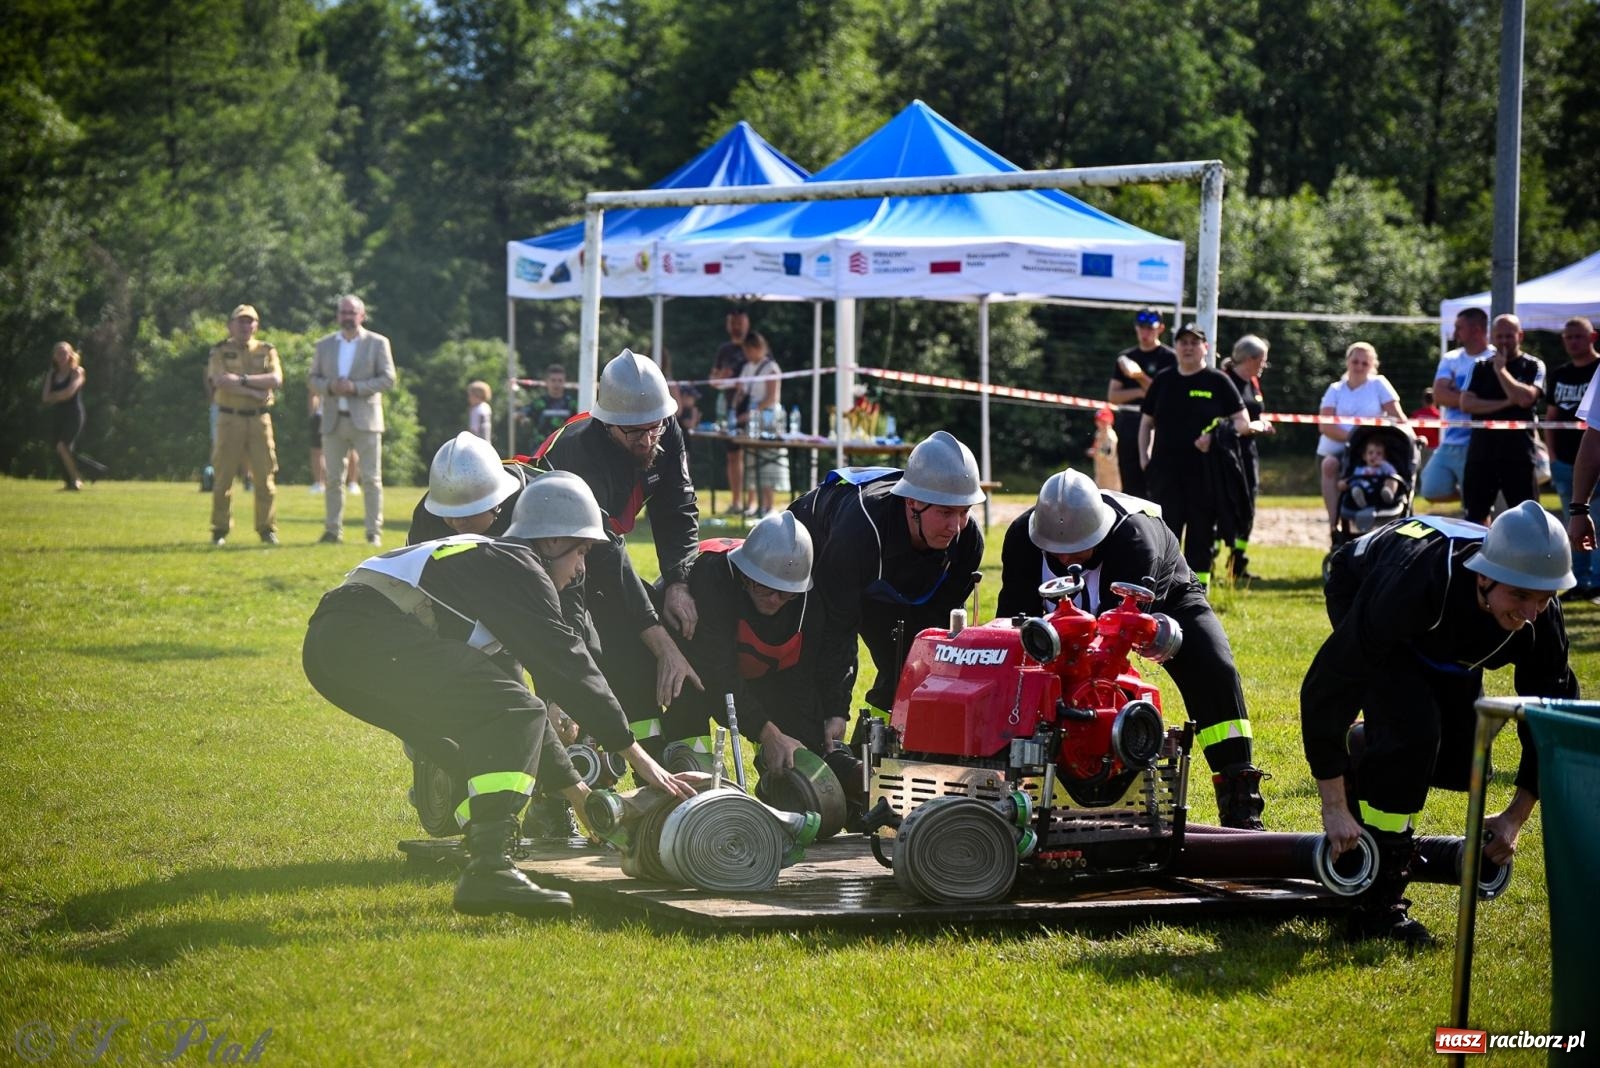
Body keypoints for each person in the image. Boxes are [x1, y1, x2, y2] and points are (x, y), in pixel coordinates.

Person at [303, 471, 696, 918]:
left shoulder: (489, 572)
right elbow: (568, 664)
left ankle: (486, 858)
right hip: (364, 635)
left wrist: (578, 795)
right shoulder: (516, 563)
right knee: (516, 713)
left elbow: (519, 708)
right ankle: (490, 868)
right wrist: (639, 759)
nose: (583, 567)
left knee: (470, 736)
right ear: (549, 543)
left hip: (331, 650)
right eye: (582, 550)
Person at [1303, 502, 1578, 945]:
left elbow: (1554, 719)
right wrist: (1333, 806)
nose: (1531, 612)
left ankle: (1370, 746)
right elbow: (1328, 687)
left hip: (1444, 628)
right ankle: (1378, 907)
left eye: (1544, 599)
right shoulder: (1414, 586)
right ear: (1483, 575)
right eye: (1521, 596)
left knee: (1457, 756)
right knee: (1412, 732)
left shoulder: (1539, 615)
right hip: (1361, 583)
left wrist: (1514, 818)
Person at [997, 470, 1268, 829]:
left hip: (1164, 600)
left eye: (1075, 549)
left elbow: (1111, 648)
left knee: (1214, 668)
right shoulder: (1023, 539)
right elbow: (1010, 627)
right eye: (1055, 551)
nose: (1064, 560)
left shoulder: (1134, 541)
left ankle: (1239, 800)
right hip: (1062, 625)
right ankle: (1023, 788)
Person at [534, 349, 703, 748]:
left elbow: (677, 507)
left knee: (658, 632)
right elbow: (607, 553)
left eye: (654, 429)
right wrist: (662, 644)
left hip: (594, 557)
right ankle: (563, 781)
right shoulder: (579, 451)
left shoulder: (663, 427)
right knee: (584, 654)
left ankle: (663, 759)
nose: (647, 441)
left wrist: (679, 582)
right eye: (634, 433)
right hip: (554, 566)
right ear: (607, 422)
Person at [788, 431, 986, 741]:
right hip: (813, 550)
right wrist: (836, 709)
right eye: (945, 512)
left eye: (964, 512)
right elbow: (838, 628)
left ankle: (876, 748)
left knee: (913, 662)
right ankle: (798, 755)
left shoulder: (968, 540)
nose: (955, 526)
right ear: (913, 502)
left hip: (881, 576)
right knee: (811, 665)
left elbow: (931, 639)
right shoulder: (859, 532)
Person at [661, 514, 834, 776]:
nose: (776, 600)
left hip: (746, 665)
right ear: (746, 575)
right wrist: (767, 732)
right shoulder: (711, 576)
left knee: (799, 746)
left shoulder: (807, 601)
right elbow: (717, 673)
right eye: (766, 588)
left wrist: (806, 740)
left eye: (786, 593)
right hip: (688, 658)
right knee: (694, 731)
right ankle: (690, 775)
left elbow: (802, 679)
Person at [1137, 323, 1249, 587]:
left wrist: (1215, 435)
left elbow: (1242, 422)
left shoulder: (1217, 381)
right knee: (1165, 534)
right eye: (1183, 342)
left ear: (1205, 348)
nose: (1188, 347)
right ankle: (1162, 591)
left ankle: (1198, 592)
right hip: (1165, 473)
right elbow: (1145, 423)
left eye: (1194, 342)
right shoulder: (1163, 380)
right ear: (1175, 347)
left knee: (1201, 535)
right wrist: (1144, 458)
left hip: (1205, 474)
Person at [310, 295, 396, 547]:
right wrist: (331, 386)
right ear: (338, 316)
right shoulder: (324, 345)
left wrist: (355, 387)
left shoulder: (378, 343)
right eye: (343, 312)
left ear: (362, 315)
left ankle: (373, 532)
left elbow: (388, 379)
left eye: (352, 312)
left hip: (366, 420)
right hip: (333, 420)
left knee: (371, 479)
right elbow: (312, 379)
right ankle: (332, 530)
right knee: (333, 479)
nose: (347, 317)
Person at [206, 304, 283, 546]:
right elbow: (220, 380)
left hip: (260, 420)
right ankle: (220, 529)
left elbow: (276, 379)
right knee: (223, 477)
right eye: (240, 321)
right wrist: (255, 390)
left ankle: (266, 528)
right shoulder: (220, 350)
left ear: (256, 326)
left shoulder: (266, 350)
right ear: (231, 325)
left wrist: (241, 380)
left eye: (250, 321)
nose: (245, 326)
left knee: (265, 477)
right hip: (230, 419)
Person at [1459, 313, 1545, 525]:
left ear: (1520, 336)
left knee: (1527, 516)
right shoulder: (1479, 366)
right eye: (1499, 336)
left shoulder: (1533, 365)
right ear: (1492, 337)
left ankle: (1527, 556)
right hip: (1482, 452)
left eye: (1509, 336)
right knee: (1475, 516)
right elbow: (1466, 403)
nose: (1504, 341)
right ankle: (1478, 554)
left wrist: (1502, 372)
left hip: (1518, 453)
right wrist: (1507, 402)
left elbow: (1526, 399)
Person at [1316, 343, 1406, 539]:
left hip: (1372, 451)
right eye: (1355, 361)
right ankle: (1335, 527)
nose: (1359, 366)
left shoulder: (1379, 385)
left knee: (1390, 470)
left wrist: (1412, 437)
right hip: (1338, 450)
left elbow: (1398, 417)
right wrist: (1356, 440)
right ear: (1347, 362)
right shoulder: (1335, 389)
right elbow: (1325, 426)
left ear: (1373, 365)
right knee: (1329, 465)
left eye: (1364, 363)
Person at [1548, 318, 1599, 598]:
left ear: (1593, 336)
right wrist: (1553, 457)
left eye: (1578, 336)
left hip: (1591, 462)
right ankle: (1579, 582)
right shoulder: (1560, 374)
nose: (1572, 342)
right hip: (1572, 462)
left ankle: (1597, 582)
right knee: (1577, 524)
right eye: (1567, 337)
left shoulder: (1596, 368)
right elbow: (1552, 419)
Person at [1421, 308, 1492, 504]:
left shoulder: (1494, 359)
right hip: (1450, 440)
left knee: (1477, 511)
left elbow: (1495, 398)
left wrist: (1455, 392)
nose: (1455, 333)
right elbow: (1439, 395)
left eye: (1459, 327)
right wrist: (1471, 400)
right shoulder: (1451, 358)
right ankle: (1473, 497)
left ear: (1476, 329)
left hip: (1478, 442)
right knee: (1430, 489)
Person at [1218, 335, 1275, 581]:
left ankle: (1238, 562)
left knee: (1248, 504)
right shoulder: (1225, 381)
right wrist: (1250, 426)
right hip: (1226, 451)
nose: (1264, 365)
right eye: (1262, 360)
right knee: (1221, 505)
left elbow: (1255, 413)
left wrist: (1262, 424)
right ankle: (1208, 560)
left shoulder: (1253, 382)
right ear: (1250, 359)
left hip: (1248, 451)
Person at [1107, 307, 1177, 498]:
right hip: (1130, 420)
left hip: (1157, 422)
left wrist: (1139, 376)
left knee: (1156, 476)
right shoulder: (1126, 357)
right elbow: (1113, 396)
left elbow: (1165, 394)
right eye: (1141, 327)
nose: (1145, 333)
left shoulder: (1170, 357)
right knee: (1130, 479)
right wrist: (1140, 390)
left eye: (1150, 328)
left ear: (1160, 328)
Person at [732, 330, 788, 517]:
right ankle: (752, 504)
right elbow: (742, 390)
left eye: (749, 350)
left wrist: (750, 414)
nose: (747, 355)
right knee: (751, 460)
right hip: (752, 418)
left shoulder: (771, 368)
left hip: (769, 417)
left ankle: (768, 504)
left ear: (757, 348)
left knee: (768, 461)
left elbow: (771, 397)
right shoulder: (747, 367)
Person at [42, 341, 106, 490]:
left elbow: (70, 392)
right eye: (58, 353)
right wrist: (58, 395)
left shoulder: (77, 371)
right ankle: (86, 474)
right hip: (58, 415)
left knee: (62, 446)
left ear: (70, 354)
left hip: (74, 414)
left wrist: (54, 395)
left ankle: (77, 479)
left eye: (64, 352)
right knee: (60, 449)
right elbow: (45, 397)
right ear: (54, 357)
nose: (62, 356)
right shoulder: (52, 374)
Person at [710, 308, 752, 515]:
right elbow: (712, 379)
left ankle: (753, 504)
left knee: (752, 456)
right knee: (733, 456)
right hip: (728, 409)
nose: (736, 327)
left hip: (751, 408)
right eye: (733, 323)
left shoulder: (754, 346)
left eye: (740, 323)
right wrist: (722, 376)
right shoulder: (724, 350)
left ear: (747, 324)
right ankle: (736, 502)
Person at [1338, 438, 1400, 510]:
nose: (1374, 456)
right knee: (1353, 485)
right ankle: (1361, 502)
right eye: (1370, 453)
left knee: (1392, 479)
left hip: (1381, 492)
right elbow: (1353, 480)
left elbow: (1393, 472)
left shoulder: (1384, 468)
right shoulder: (1360, 469)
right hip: (1365, 492)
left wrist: (1383, 463)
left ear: (1384, 457)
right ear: (1364, 456)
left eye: (1379, 454)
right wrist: (1345, 483)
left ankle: (1389, 496)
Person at [523, 363, 575, 440]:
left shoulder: (572, 404)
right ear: (546, 382)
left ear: (564, 382)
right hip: (541, 448)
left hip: (565, 447)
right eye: (553, 380)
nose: (556, 384)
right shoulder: (539, 403)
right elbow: (522, 413)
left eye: (560, 380)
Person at [1089, 408, 1119, 491]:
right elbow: (1096, 446)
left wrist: (1095, 452)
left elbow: (1108, 453)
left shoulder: (1110, 436)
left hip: (1110, 476)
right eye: (1098, 421)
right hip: (1100, 473)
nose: (1099, 424)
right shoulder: (1099, 433)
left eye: (1102, 421)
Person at [307, 382, 326, 494]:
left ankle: (348, 483)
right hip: (320, 415)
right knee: (317, 451)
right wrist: (312, 414)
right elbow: (313, 392)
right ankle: (319, 483)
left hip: (340, 415)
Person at [1409, 387, 1441, 452]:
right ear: (1434, 400)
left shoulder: (1416, 415)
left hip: (1418, 447)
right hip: (1434, 449)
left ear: (1423, 400)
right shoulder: (1439, 415)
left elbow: (1410, 431)